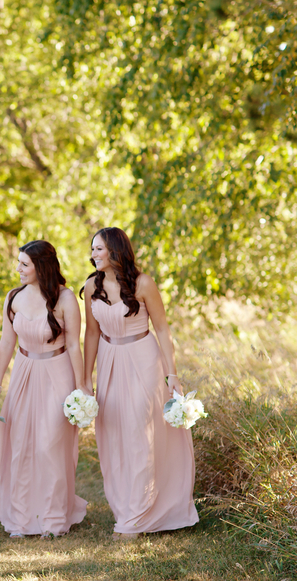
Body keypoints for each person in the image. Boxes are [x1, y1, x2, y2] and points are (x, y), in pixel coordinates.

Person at [82, 227, 198, 539]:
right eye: (92, 249)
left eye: (99, 249)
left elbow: (162, 328)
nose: (93, 255)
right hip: (109, 359)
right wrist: (85, 378)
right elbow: (91, 334)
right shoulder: (91, 285)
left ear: (115, 250)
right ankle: (126, 507)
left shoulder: (143, 283)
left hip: (143, 360)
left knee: (140, 433)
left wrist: (172, 374)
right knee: (113, 434)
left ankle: (139, 514)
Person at [0, 240, 88, 537]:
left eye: (24, 264)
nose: (17, 269)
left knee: (50, 444)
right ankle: (21, 518)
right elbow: (7, 342)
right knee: (19, 444)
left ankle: (53, 519)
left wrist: (81, 386)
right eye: (18, 263)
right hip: (23, 372)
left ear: (41, 267)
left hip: (57, 373)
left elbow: (73, 344)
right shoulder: (13, 297)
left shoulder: (65, 298)